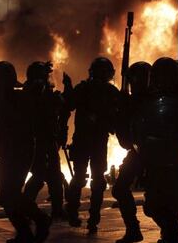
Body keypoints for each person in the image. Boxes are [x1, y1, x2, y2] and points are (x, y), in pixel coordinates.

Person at [0, 61, 51, 243]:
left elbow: (32, 125)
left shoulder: (23, 99)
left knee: (10, 194)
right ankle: (25, 232)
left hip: (21, 152)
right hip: (4, 153)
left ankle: (40, 220)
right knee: (6, 197)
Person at [131, 57, 178, 243]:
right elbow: (138, 122)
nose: (163, 79)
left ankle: (170, 233)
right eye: (160, 75)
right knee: (152, 205)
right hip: (154, 157)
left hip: (175, 155)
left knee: (174, 200)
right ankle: (170, 229)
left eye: (167, 75)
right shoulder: (149, 97)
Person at [64, 57, 121, 233]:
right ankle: (81, 215)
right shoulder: (94, 90)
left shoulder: (106, 91)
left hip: (93, 141)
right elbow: (69, 104)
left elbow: (118, 115)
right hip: (87, 141)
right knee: (89, 179)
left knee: (91, 179)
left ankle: (86, 217)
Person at [23, 61, 70, 220]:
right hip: (35, 141)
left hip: (49, 140)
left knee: (55, 177)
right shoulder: (28, 94)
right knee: (39, 176)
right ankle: (26, 207)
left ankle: (57, 209)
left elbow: (62, 111)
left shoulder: (48, 93)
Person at [112, 61, 151, 243]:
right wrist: (121, 109)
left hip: (157, 153)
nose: (134, 84)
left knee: (157, 201)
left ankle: (170, 234)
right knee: (120, 189)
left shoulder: (156, 100)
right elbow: (125, 139)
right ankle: (133, 229)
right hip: (137, 152)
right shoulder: (129, 101)